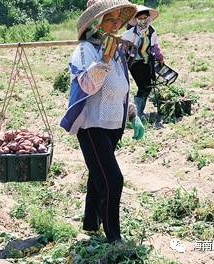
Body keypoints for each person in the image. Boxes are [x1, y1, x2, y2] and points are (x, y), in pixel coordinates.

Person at [60, 0, 144, 243]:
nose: (117, 24)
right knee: (112, 179)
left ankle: (90, 224)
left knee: (98, 175)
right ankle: (114, 238)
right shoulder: (85, 50)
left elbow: (120, 85)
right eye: (111, 19)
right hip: (92, 125)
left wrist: (132, 114)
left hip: (113, 125)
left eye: (119, 19)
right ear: (96, 22)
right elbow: (88, 85)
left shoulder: (116, 49)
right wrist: (105, 58)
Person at [122, 5, 164, 119]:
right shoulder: (130, 33)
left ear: (148, 18)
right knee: (143, 86)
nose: (143, 20)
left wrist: (160, 57)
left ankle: (139, 112)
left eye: (145, 17)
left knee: (149, 85)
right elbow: (123, 48)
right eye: (140, 18)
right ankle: (137, 114)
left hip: (147, 61)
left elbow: (155, 46)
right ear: (136, 20)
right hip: (135, 63)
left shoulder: (151, 31)